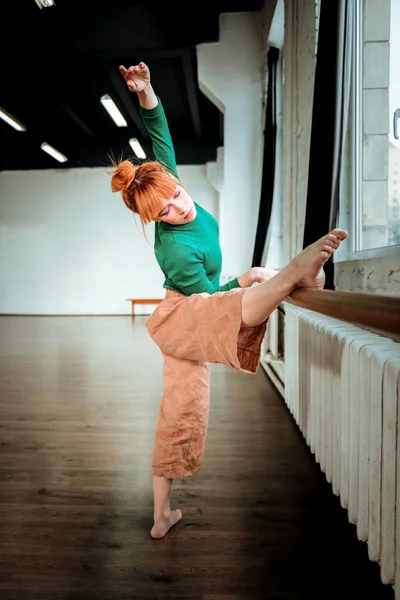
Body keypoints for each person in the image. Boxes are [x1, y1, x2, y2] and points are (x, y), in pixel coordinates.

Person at [111, 61, 348, 540]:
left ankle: (162, 516)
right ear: (153, 219)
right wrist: (248, 280)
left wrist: (147, 91)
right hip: (183, 314)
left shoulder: (170, 183)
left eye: (177, 194)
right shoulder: (174, 249)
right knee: (234, 304)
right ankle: (289, 276)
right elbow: (211, 305)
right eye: (167, 210)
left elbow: (159, 132)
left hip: (196, 312)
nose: (180, 205)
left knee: (184, 414)